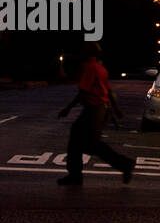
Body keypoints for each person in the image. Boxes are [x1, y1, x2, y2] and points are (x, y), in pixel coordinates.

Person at [56, 43, 135, 185]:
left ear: (88, 54)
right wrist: (116, 109)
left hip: (93, 110)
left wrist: (68, 108)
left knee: (85, 143)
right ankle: (77, 174)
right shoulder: (100, 69)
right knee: (85, 143)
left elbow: (83, 91)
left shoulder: (90, 68)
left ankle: (123, 164)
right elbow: (109, 92)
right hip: (99, 110)